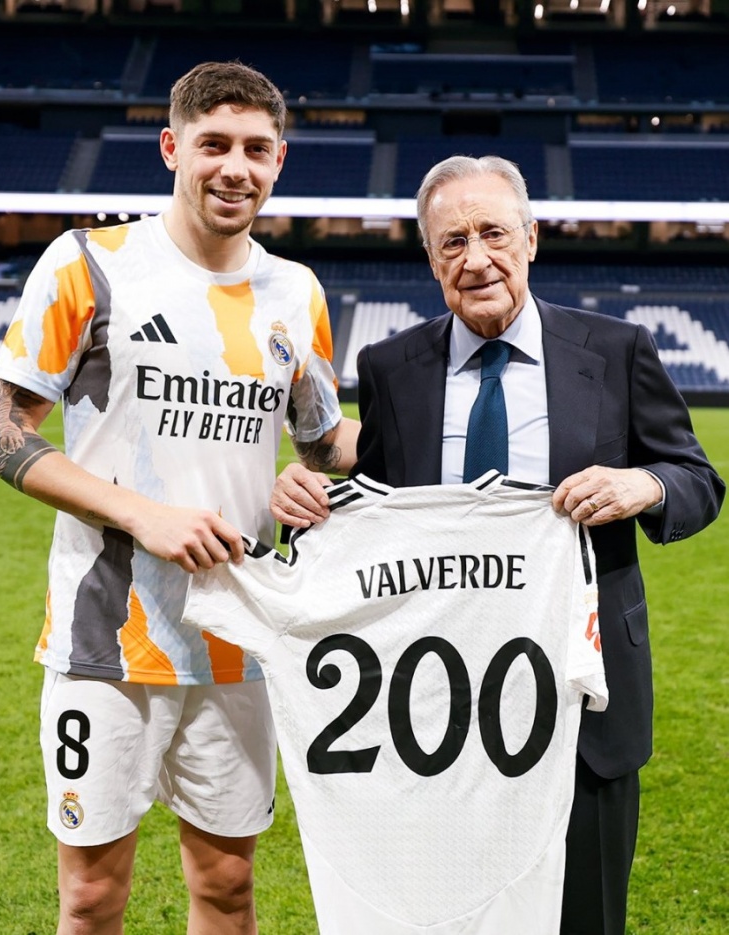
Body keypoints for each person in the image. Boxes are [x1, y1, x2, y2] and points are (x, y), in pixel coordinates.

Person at [272, 154, 725, 935]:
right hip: (437, 707)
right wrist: (304, 502)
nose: (475, 257)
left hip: (584, 698)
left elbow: (697, 478)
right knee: (446, 913)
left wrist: (642, 486)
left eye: (493, 233)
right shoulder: (391, 368)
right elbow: (377, 513)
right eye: (452, 241)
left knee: (584, 915)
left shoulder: (616, 348)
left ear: (531, 239)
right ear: (430, 258)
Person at [0, 60, 357, 935]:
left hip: (239, 638)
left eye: (256, 149)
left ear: (280, 160)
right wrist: (140, 512)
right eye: (213, 144)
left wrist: (448, 431)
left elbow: (322, 442)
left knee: (227, 889)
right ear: (171, 148)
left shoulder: (295, 291)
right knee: (91, 898)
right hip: (106, 640)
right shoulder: (89, 263)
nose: (235, 168)